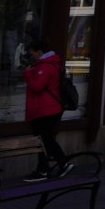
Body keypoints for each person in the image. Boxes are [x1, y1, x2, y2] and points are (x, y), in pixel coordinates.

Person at [22, 47, 69, 180]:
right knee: (45, 140)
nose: (31, 57)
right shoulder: (52, 64)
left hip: (45, 109)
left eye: (32, 54)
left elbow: (37, 87)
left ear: (39, 51)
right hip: (48, 108)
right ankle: (46, 168)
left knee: (43, 140)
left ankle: (57, 165)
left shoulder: (46, 66)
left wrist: (27, 73)